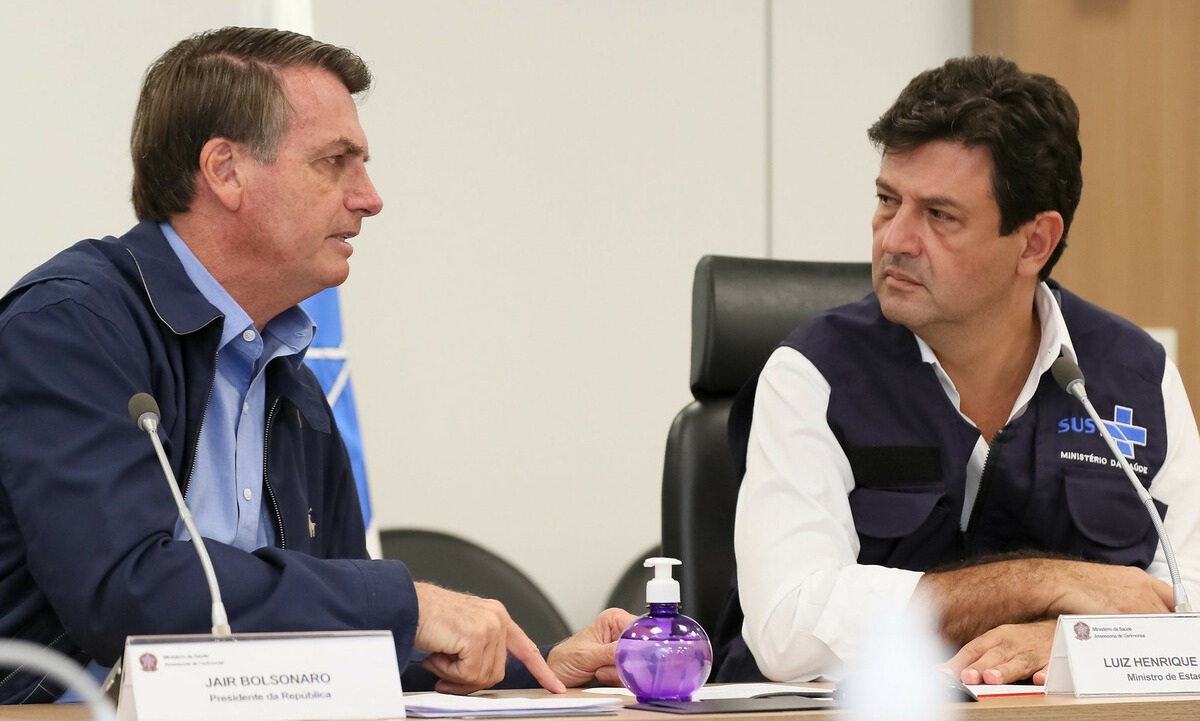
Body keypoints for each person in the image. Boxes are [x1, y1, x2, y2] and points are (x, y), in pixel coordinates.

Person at [0, 26, 631, 704]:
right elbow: (122, 592)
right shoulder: (69, 327)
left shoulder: (291, 386)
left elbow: (342, 649)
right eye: (335, 162)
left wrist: (534, 667)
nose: (370, 197)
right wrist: (407, 604)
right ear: (225, 171)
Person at [722, 55, 1200, 687]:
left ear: (1034, 242)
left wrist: (1065, 640)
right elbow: (788, 630)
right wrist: (1045, 585)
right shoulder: (814, 374)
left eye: (939, 215)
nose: (894, 239)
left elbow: (1189, 610)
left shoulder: (1135, 378)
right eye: (888, 201)